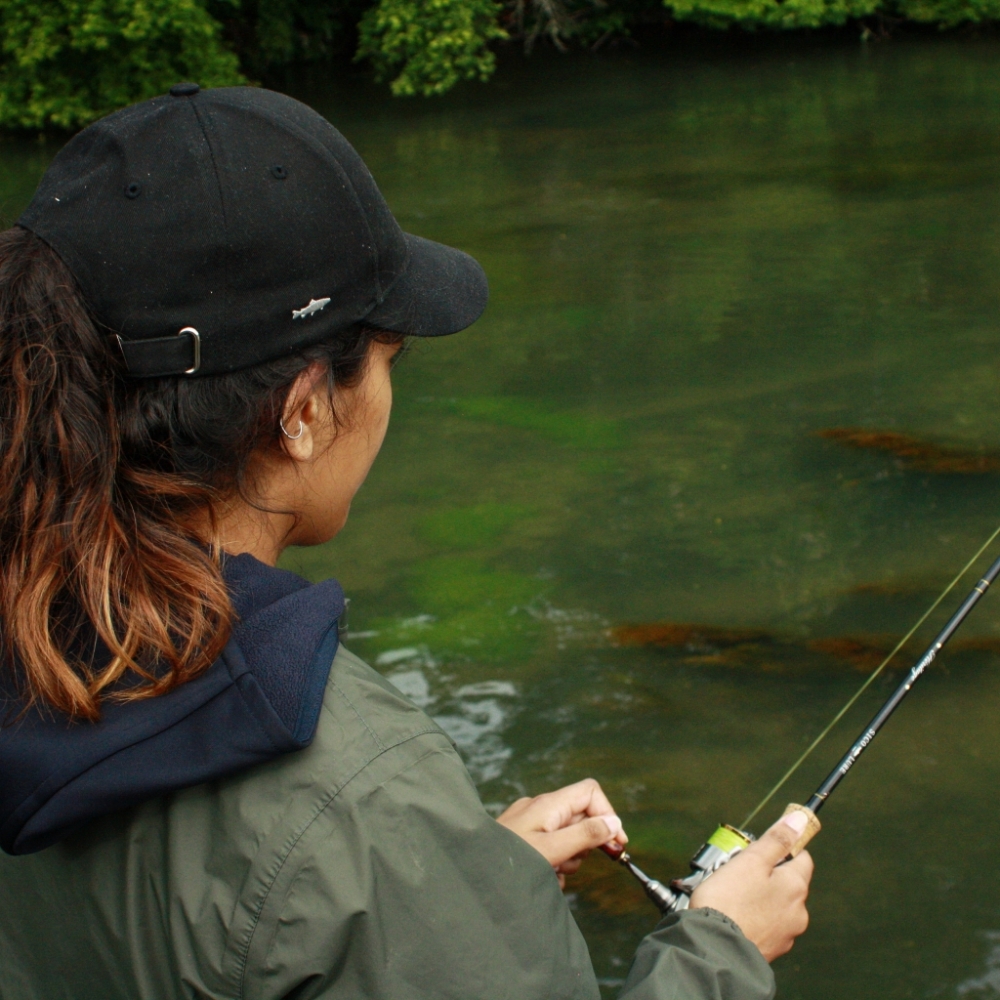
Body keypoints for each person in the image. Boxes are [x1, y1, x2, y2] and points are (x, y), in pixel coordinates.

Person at [0, 85, 812, 1000]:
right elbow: (298, 864)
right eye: (390, 360)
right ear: (303, 412)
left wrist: (445, 884)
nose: (389, 397)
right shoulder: (356, 794)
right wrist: (722, 951)